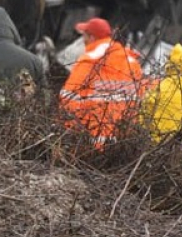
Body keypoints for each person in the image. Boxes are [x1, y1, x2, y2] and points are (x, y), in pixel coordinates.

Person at [59, 17, 143, 147]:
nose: (83, 41)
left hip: (88, 143)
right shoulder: (132, 63)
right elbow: (137, 103)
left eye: (84, 36)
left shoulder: (89, 61)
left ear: (92, 38)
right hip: (122, 144)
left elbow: (69, 101)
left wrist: (66, 138)